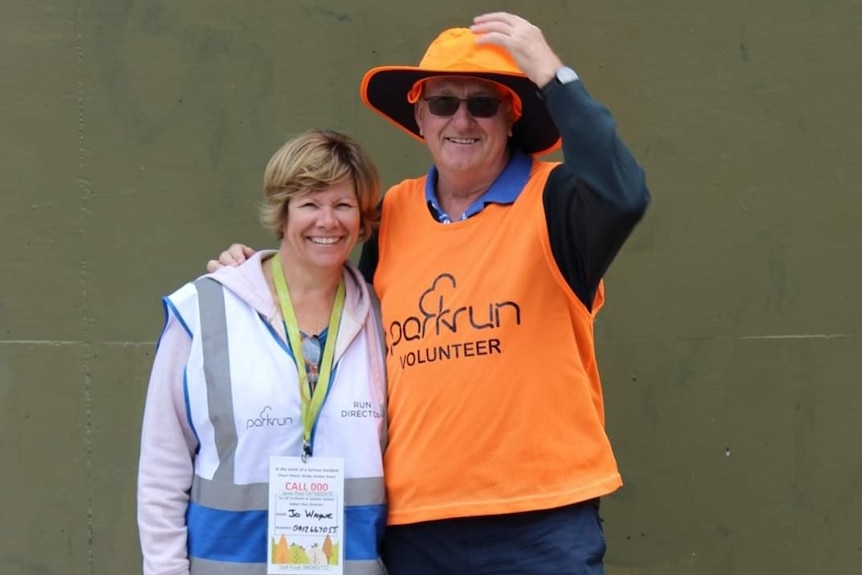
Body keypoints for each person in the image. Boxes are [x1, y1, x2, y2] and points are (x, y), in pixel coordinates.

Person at [209, 11, 650, 575]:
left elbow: (625, 194)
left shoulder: (556, 198)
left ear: (511, 117)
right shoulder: (392, 212)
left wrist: (551, 73)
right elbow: (334, 303)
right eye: (443, 103)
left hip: (541, 520)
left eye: (483, 104)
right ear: (419, 115)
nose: (461, 119)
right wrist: (257, 275)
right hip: (417, 524)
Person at [138, 130, 388, 575]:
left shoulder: (382, 317)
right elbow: (163, 464)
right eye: (310, 204)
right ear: (283, 212)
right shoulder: (205, 309)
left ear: (363, 216)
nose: (327, 221)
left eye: (343, 205)